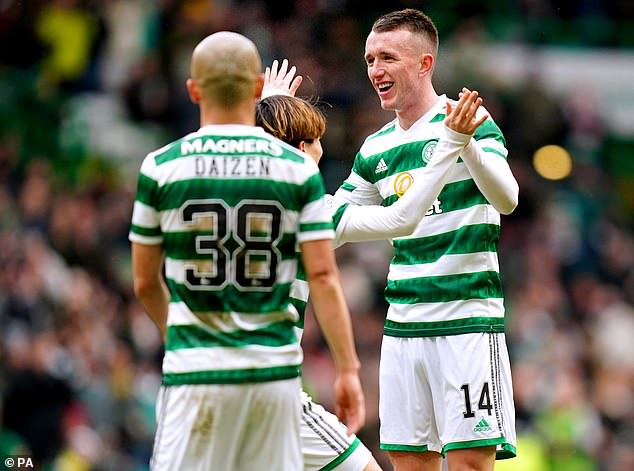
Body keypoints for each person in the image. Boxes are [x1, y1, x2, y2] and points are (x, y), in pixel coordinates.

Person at [129, 31, 365, 471]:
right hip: (270, 375)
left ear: (193, 90)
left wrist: (177, 336)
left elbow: (144, 282)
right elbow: (324, 277)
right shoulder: (297, 170)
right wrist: (348, 368)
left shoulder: (160, 166)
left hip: (194, 373)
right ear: (256, 88)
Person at [257, 61, 490, 471]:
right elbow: (401, 219)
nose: (317, 164)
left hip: (203, 381)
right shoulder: (312, 211)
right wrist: (450, 145)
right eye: (314, 151)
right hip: (270, 388)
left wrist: (269, 109)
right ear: (297, 149)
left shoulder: (228, 197)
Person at [331, 9, 519, 471]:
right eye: (370, 59)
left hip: (467, 320)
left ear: (424, 63)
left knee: (471, 463)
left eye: (388, 58)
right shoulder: (374, 147)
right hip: (403, 326)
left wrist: (464, 140)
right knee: (408, 462)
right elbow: (334, 218)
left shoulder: (470, 118)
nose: (375, 70)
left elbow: (507, 198)